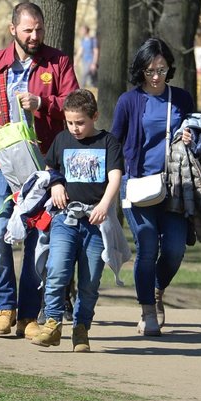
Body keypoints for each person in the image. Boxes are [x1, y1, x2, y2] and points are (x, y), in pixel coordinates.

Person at [0, 2, 79, 338]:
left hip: (42, 169)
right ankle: (4, 307)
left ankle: (28, 315)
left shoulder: (58, 62)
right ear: (13, 29)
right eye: (28, 30)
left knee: (38, 240)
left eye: (39, 29)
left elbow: (74, 103)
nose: (35, 36)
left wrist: (44, 104)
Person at [110, 37, 201, 337]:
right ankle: (147, 311)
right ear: (140, 70)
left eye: (161, 69)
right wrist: (114, 179)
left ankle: (157, 289)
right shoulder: (128, 101)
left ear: (169, 68)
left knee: (173, 250)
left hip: (175, 185)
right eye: (149, 70)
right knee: (146, 245)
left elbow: (198, 134)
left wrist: (191, 140)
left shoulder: (181, 99)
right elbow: (115, 141)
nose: (156, 76)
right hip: (138, 184)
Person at [32, 89, 123, 352]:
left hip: (95, 223)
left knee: (90, 280)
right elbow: (51, 168)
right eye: (70, 122)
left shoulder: (108, 142)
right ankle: (52, 324)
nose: (75, 128)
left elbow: (115, 176)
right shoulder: (61, 139)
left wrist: (105, 205)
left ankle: (81, 329)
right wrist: (56, 186)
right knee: (58, 270)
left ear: (94, 116)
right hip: (65, 219)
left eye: (80, 122)